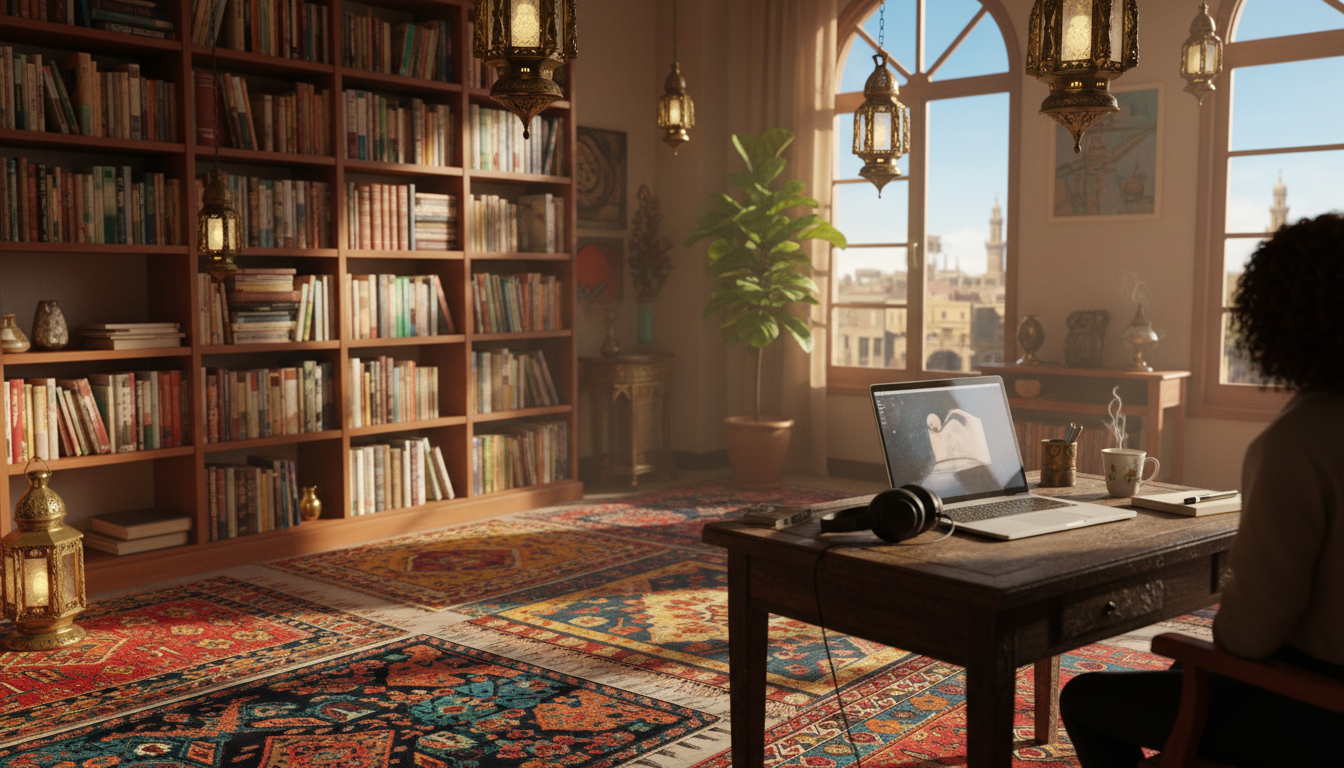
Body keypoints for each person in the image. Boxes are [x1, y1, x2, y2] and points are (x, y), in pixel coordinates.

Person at [1059, 212, 1344, 767]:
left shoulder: (1299, 442)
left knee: (1086, 698)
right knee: (1181, 669)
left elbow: (1252, 635)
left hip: (1313, 711)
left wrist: (1210, 646)